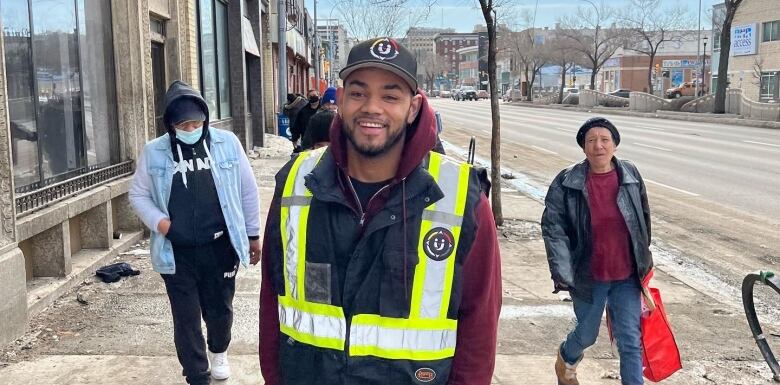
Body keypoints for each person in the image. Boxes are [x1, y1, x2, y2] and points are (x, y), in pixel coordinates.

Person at [259, 37, 502, 385]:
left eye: (390, 96)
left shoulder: (460, 197)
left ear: (414, 107)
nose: (372, 107)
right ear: (341, 102)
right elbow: (273, 297)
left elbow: (479, 324)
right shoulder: (297, 182)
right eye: (358, 93)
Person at [129, 80, 261, 385]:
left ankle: (219, 350)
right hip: (177, 252)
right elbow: (137, 195)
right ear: (171, 125)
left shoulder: (227, 143)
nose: (191, 128)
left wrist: (253, 236)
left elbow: (248, 190)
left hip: (221, 247)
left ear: (205, 119)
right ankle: (197, 375)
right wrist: (163, 224)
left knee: (219, 310)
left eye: (196, 122)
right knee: (186, 318)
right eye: (183, 124)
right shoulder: (154, 151)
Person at [541, 117, 653, 385]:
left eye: (605, 140)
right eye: (591, 141)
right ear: (583, 148)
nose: (598, 146)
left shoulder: (630, 175)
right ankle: (567, 356)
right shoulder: (567, 182)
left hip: (625, 275)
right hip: (588, 275)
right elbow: (553, 228)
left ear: (614, 144)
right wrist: (562, 271)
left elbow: (643, 219)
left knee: (630, 340)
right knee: (587, 334)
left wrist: (643, 260)